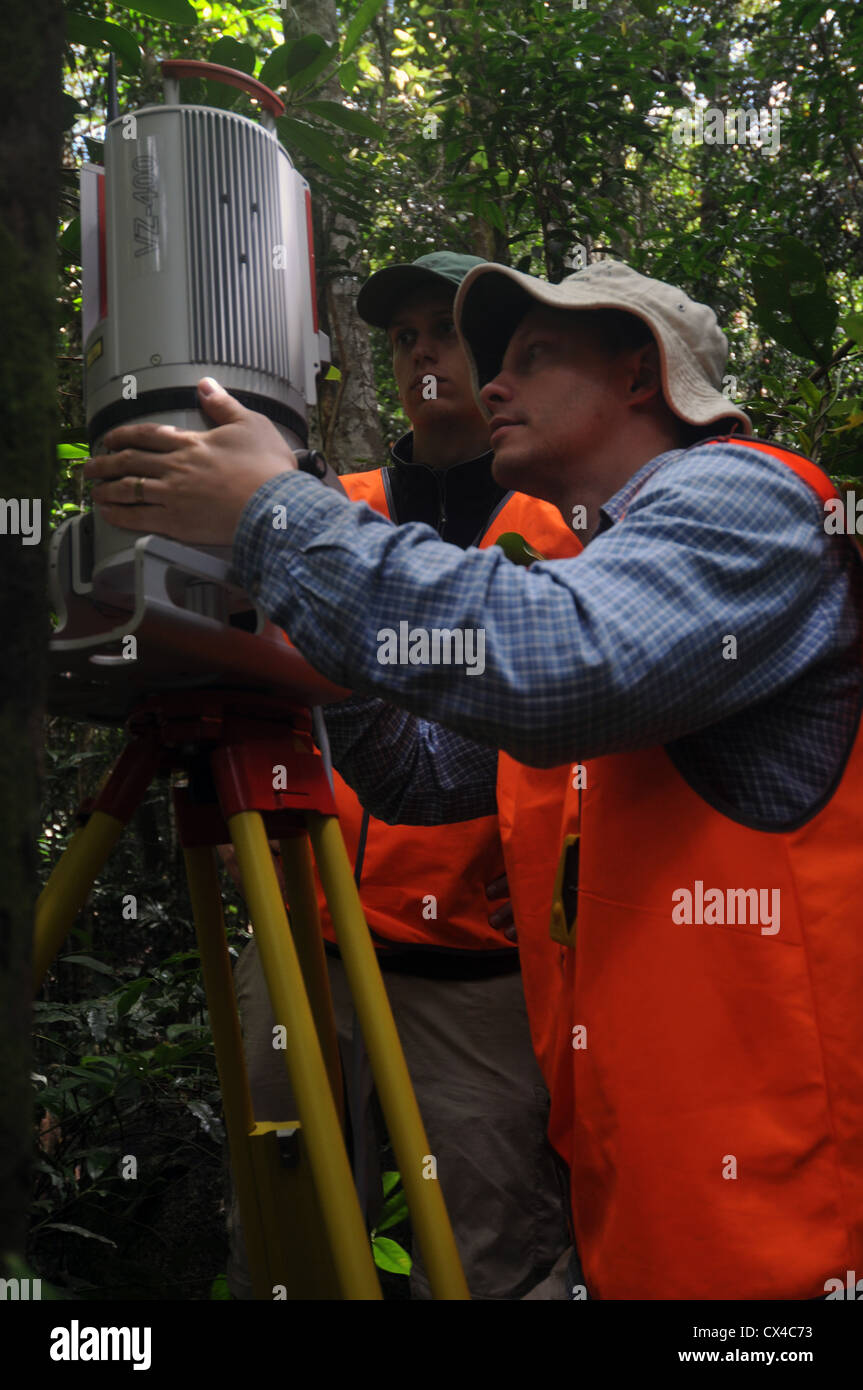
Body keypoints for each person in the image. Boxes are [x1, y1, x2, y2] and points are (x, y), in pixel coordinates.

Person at [85, 258, 863, 1301]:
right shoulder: (617, 569)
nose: (490, 383)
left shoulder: (745, 496)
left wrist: (274, 515)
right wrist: (315, 648)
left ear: (641, 377)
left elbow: (558, 664)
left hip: (785, 1218)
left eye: (532, 357)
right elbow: (422, 773)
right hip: (657, 1198)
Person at [217, 250, 576, 1301]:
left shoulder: (564, 528)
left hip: (474, 970)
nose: (423, 354)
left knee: (484, 1252)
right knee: (284, 1241)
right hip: (303, 940)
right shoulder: (332, 508)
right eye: (405, 337)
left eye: (448, 332)